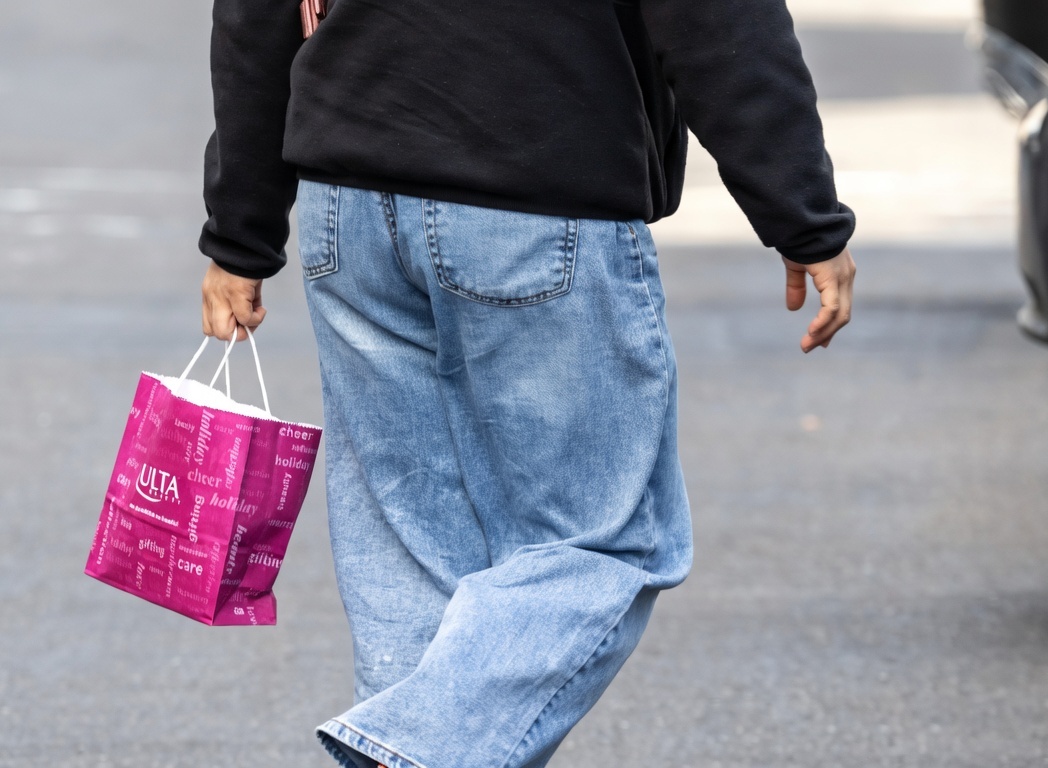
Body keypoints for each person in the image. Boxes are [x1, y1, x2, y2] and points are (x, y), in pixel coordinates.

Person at [197, 0, 856, 765]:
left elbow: (256, 13)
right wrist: (802, 214)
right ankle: (412, 752)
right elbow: (716, 17)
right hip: (535, 191)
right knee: (600, 543)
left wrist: (241, 233)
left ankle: (404, 749)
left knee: (413, 550)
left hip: (350, 203)